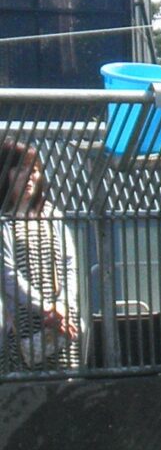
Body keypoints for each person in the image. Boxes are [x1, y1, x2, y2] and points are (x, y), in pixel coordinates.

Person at [0, 139, 81, 372]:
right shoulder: (4, 221)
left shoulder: (52, 215)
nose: (29, 176)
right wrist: (46, 308)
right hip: (23, 324)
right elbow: (8, 275)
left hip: (61, 323)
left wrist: (64, 304)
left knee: (66, 388)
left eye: (34, 169)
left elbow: (69, 263)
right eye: (20, 168)